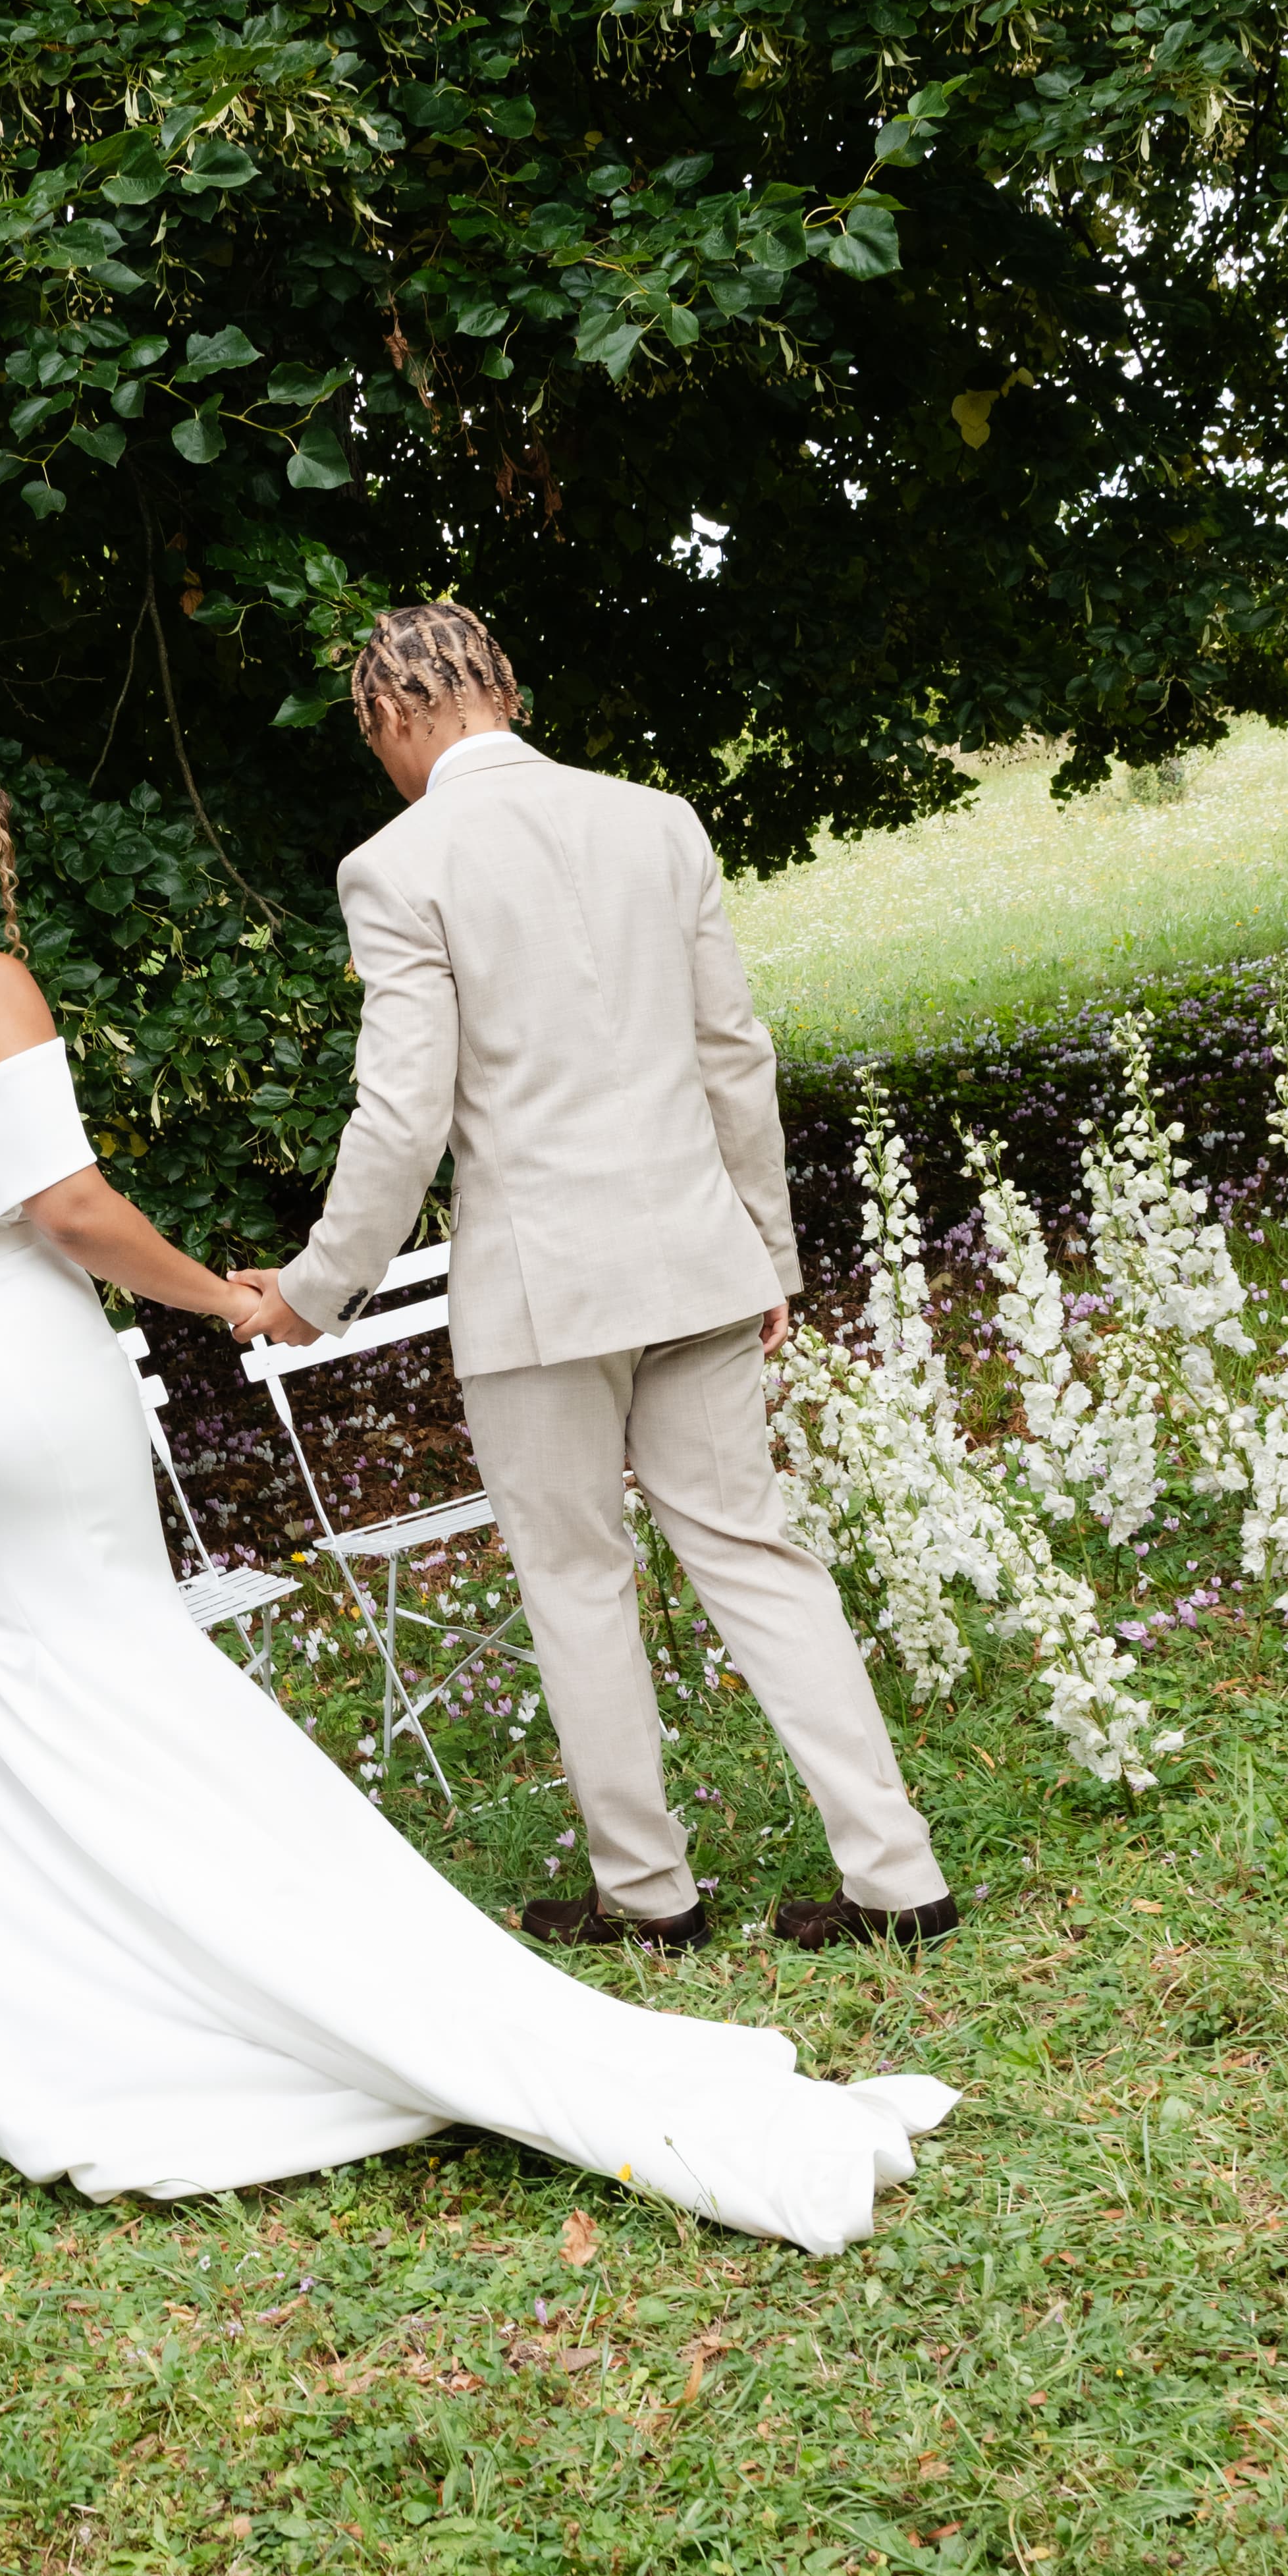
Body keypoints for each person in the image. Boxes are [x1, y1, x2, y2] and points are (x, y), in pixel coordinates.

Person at [0, 690, 954, 2255]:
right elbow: (69, 1210)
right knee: (132, 1672)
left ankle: (72, 2034)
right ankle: (307, 1972)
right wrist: (224, 1296)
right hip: (17, 1389)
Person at [232, 603, 956, 1959]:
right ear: (504, 685)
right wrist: (767, 1248)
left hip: (542, 1290)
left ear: (390, 718)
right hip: (697, 1254)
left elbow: (402, 1118)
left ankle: (651, 1900)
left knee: (574, 1576)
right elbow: (733, 1051)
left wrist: (315, 1289)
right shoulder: (657, 820)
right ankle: (899, 1877)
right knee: (757, 1554)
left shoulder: (396, 866)